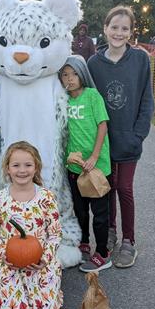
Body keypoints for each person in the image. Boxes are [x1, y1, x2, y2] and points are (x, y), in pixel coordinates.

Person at [0, 141, 69, 309]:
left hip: (38, 261)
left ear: (36, 167)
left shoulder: (47, 198)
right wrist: (3, 255)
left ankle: (45, 292)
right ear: (7, 168)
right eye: (16, 165)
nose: (22, 170)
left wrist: (45, 257)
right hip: (8, 262)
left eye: (28, 165)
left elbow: (55, 233)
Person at [87, 6, 155, 268]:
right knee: (107, 188)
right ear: (105, 28)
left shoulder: (140, 60)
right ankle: (110, 232)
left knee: (124, 188)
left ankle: (129, 241)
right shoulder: (94, 64)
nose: (118, 32)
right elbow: (90, 101)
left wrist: (138, 134)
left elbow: (147, 100)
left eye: (124, 28)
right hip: (103, 141)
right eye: (114, 27)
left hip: (129, 139)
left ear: (131, 32)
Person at [59, 55, 111, 272]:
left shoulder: (92, 96)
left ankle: (103, 254)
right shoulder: (62, 100)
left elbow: (103, 126)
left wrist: (94, 157)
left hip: (96, 168)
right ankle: (84, 245)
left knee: (99, 214)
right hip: (75, 169)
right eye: (65, 75)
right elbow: (62, 134)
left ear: (82, 75)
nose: (70, 79)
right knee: (80, 212)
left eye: (74, 74)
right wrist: (66, 158)